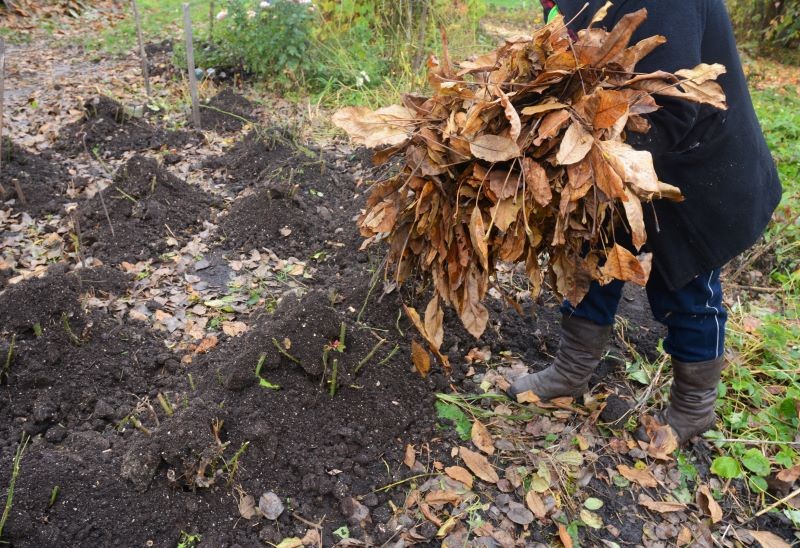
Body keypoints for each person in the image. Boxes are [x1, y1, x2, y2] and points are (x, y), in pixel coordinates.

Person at [509, 0, 783, 444]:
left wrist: (580, 151)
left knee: (688, 285)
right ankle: (571, 371)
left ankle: (693, 408)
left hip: (693, 164)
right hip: (616, 151)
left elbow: (671, 103)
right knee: (595, 255)